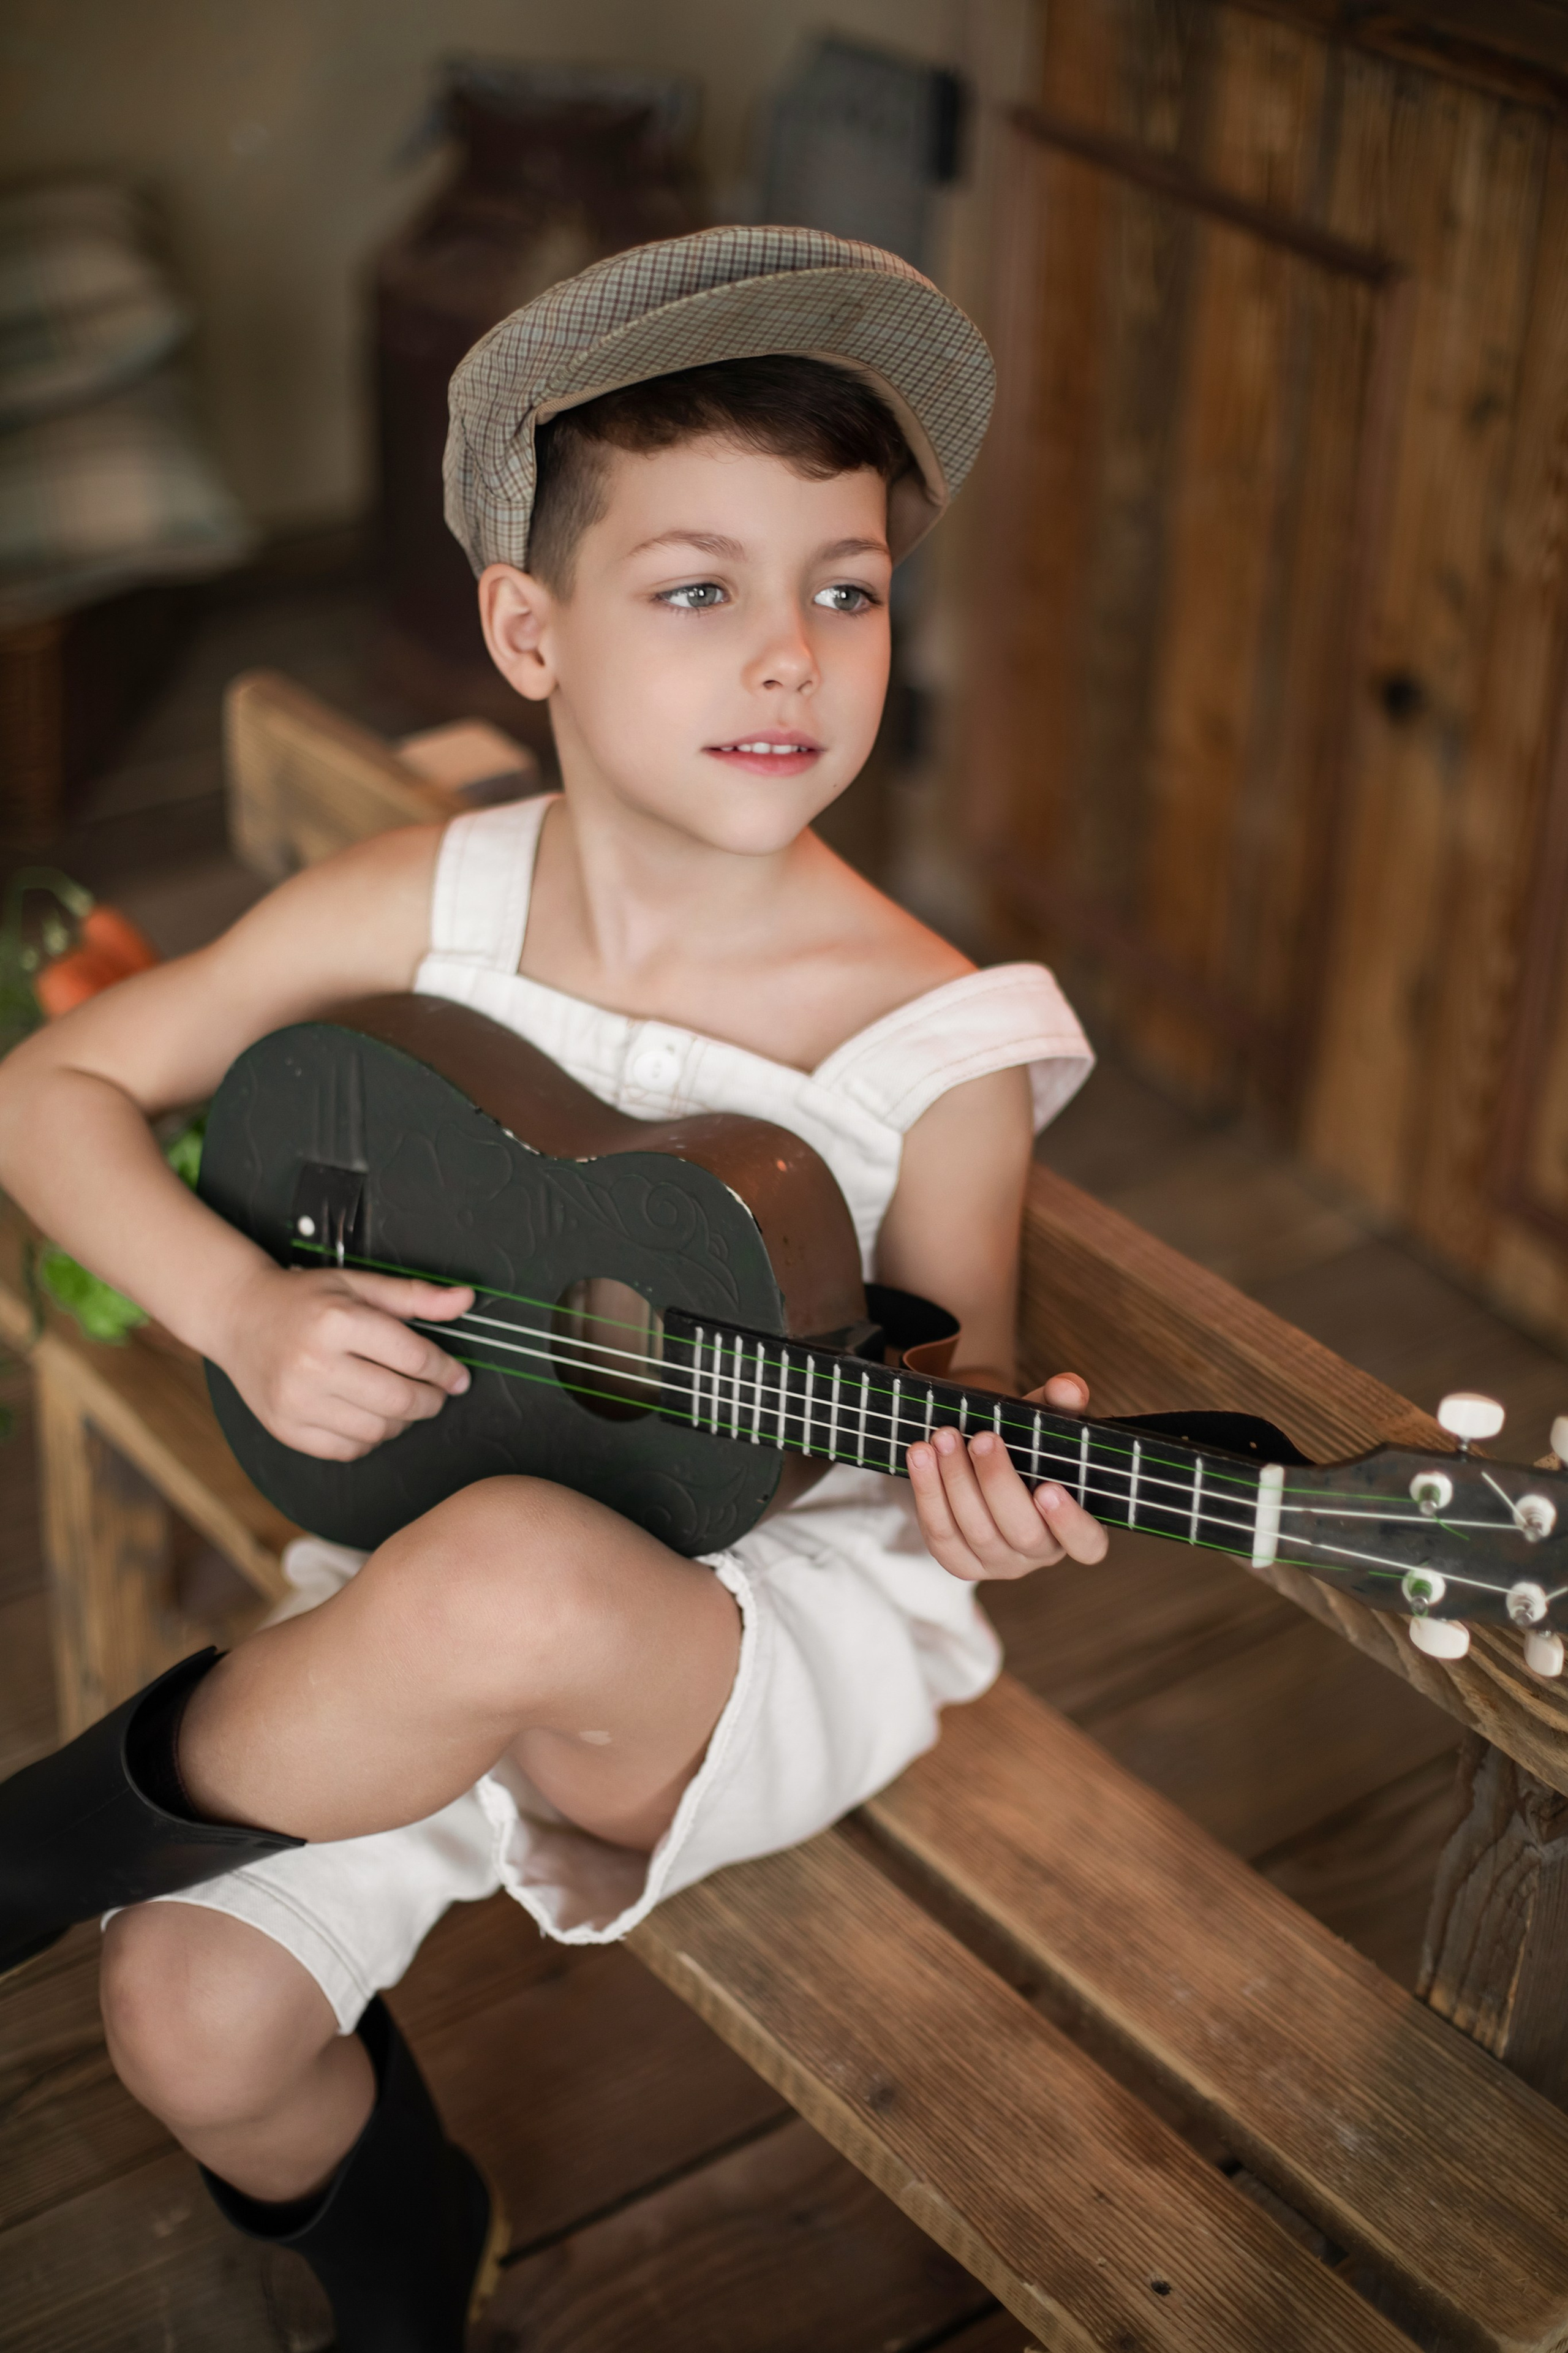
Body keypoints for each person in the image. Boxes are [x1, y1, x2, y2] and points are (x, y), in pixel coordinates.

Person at [0, 227, 1105, 2350]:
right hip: (441, 1556)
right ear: (533, 628)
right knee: (187, 2011)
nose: (790, 656)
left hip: (742, 1635)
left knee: (514, 1566)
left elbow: (919, 1426)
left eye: (845, 590)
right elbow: (54, 1087)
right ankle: (414, 2265)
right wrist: (234, 1306)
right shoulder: (438, 894)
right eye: (699, 590)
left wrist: (998, 1492)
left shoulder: (938, 1046)